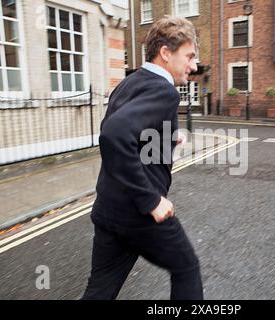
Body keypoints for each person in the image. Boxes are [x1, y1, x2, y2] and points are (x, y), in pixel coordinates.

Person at [81, 16, 203, 300]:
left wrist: (165, 137)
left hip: (109, 210)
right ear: (165, 53)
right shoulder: (164, 90)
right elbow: (113, 135)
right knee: (187, 269)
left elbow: (121, 129)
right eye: (189, 56)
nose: (193, 66)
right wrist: (151, 200)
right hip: (139, 215)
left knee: (100, 290)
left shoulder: (130, 82)